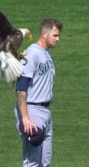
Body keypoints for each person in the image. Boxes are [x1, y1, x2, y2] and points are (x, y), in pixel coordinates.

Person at [14, 18, 63, 167]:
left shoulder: (46, 54)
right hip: (32, 110)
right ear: (44, 34)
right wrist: (26, 118)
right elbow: (21, 88)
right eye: (55, 35)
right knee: (33, 162)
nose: (58, 39)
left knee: (45, 162)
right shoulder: (31, 54)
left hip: (45, 112)